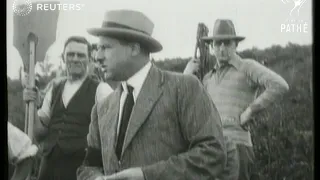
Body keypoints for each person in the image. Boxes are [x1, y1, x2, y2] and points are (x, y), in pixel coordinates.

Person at [77, 9, 227, 180]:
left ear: (134, 48)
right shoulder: (102, 109)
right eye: (97, 48)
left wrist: (146, 176)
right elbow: (88, 166)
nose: (97, 56)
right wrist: (96, 178)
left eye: (105, 47)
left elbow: (213, 154)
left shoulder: (184, 88)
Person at [184, 19, 290, 180]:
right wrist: (186, 74)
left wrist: (250, 111)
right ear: (212, 47)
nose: (222, 48)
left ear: (235, 45)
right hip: (212, 148)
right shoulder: (208, 77)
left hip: (238, 145)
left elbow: (279, 85)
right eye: (218, 44)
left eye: (227, 43)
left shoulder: (246, 66)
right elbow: (188, 105)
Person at [22, 36, 114, 180]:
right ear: (64, 58)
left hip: (81, 169)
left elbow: (113, 135)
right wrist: (31, 105)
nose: (75, 59)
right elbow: (40, 133)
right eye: (70, 54)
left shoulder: (101, 90)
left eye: (81, 55)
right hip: (48, 167)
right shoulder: (54, 88)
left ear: (90, 59)